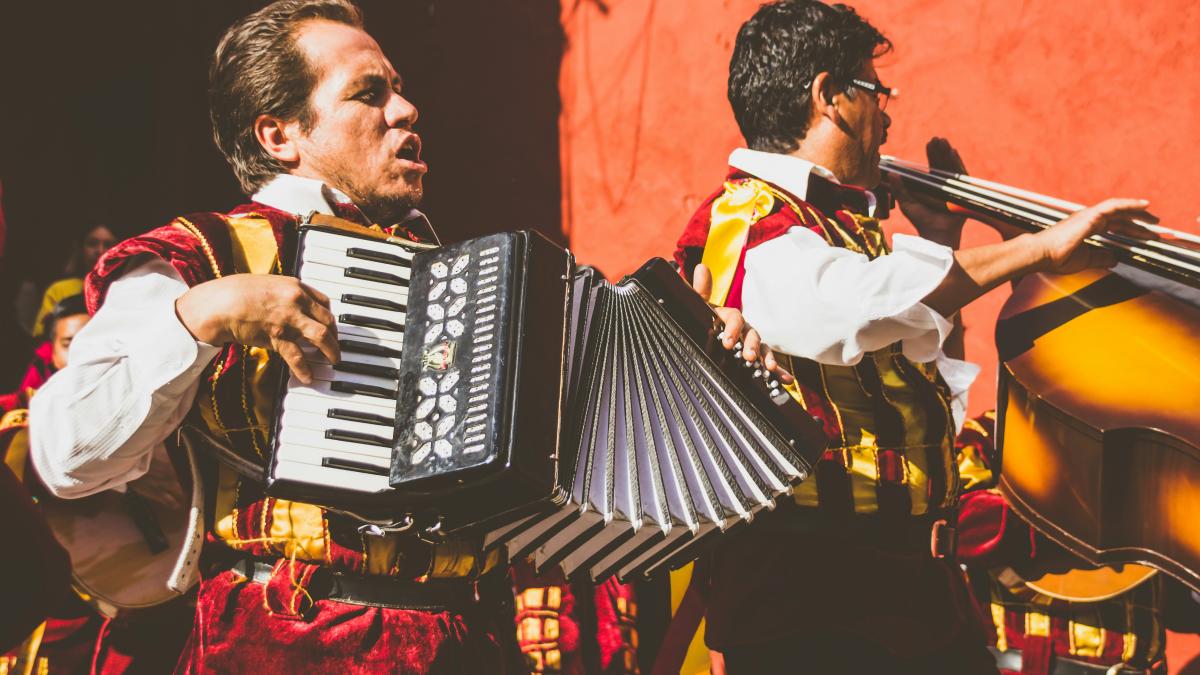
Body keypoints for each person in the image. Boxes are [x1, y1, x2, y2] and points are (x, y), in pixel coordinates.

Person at [28, 2, 780, 672]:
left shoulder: (455, 271)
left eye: (399, 87)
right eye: (369, 93)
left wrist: (699, 359)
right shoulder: (204, 256)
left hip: (469, 641)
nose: (407, 109)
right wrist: (205, 316)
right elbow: (65, 453)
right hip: (293, 641)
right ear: (280, 134)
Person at [671, 1, 1157, 673]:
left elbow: (925, 404)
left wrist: (940, 239)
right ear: (827, 97)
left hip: (909, 604)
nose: (888, 116)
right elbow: (865, 306)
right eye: (876, 91)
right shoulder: (752, 227)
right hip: (813, 615)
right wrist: (1040, 249)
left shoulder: (829, 229)